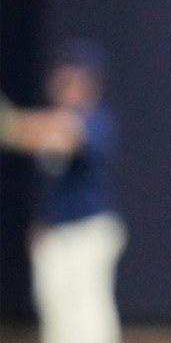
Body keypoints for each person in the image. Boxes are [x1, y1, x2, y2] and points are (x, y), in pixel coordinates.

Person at [2, 39, 126, 343]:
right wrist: (42, 223)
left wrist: (12, 125)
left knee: (89, 313)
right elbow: (53, 172)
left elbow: (66, 133)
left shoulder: (98, 119)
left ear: (89, 82)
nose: (64, 83)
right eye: (63, 75)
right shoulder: (58, 122)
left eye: (73, 77)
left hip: (87, 232)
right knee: (57, 315)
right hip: (58, 233)